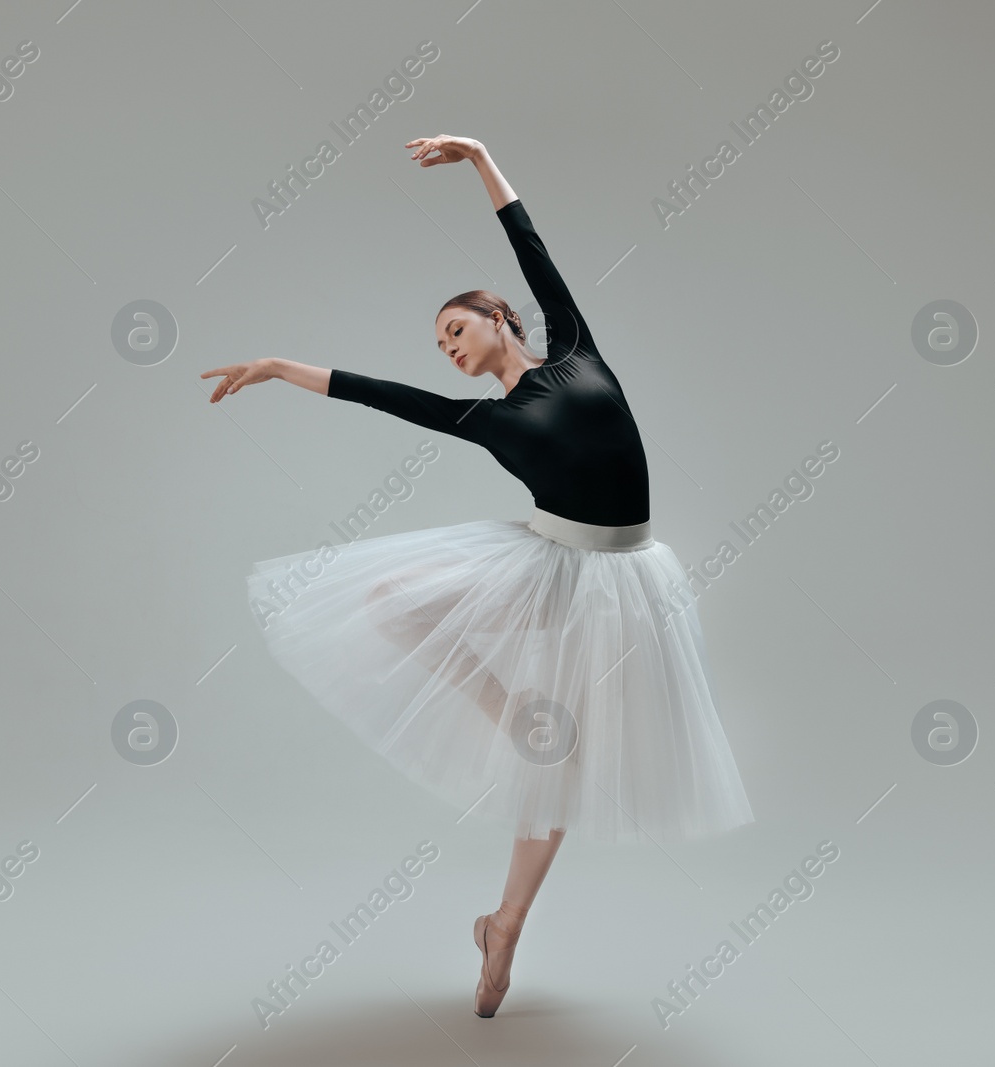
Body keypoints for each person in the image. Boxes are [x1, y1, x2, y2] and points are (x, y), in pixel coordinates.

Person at [202, 135, 753, 1018]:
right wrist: (275, 366)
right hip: (556, 563)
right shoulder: (484, 421)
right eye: (438, 343)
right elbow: (377, 392)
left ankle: (504, 925)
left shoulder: (576, 346)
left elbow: (528, 243)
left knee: (560, 767)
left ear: (500, 319)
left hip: (630, 580)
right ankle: (506, 713)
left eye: (455, 330)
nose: (447, 350)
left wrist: (481, 158)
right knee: (396, 607)